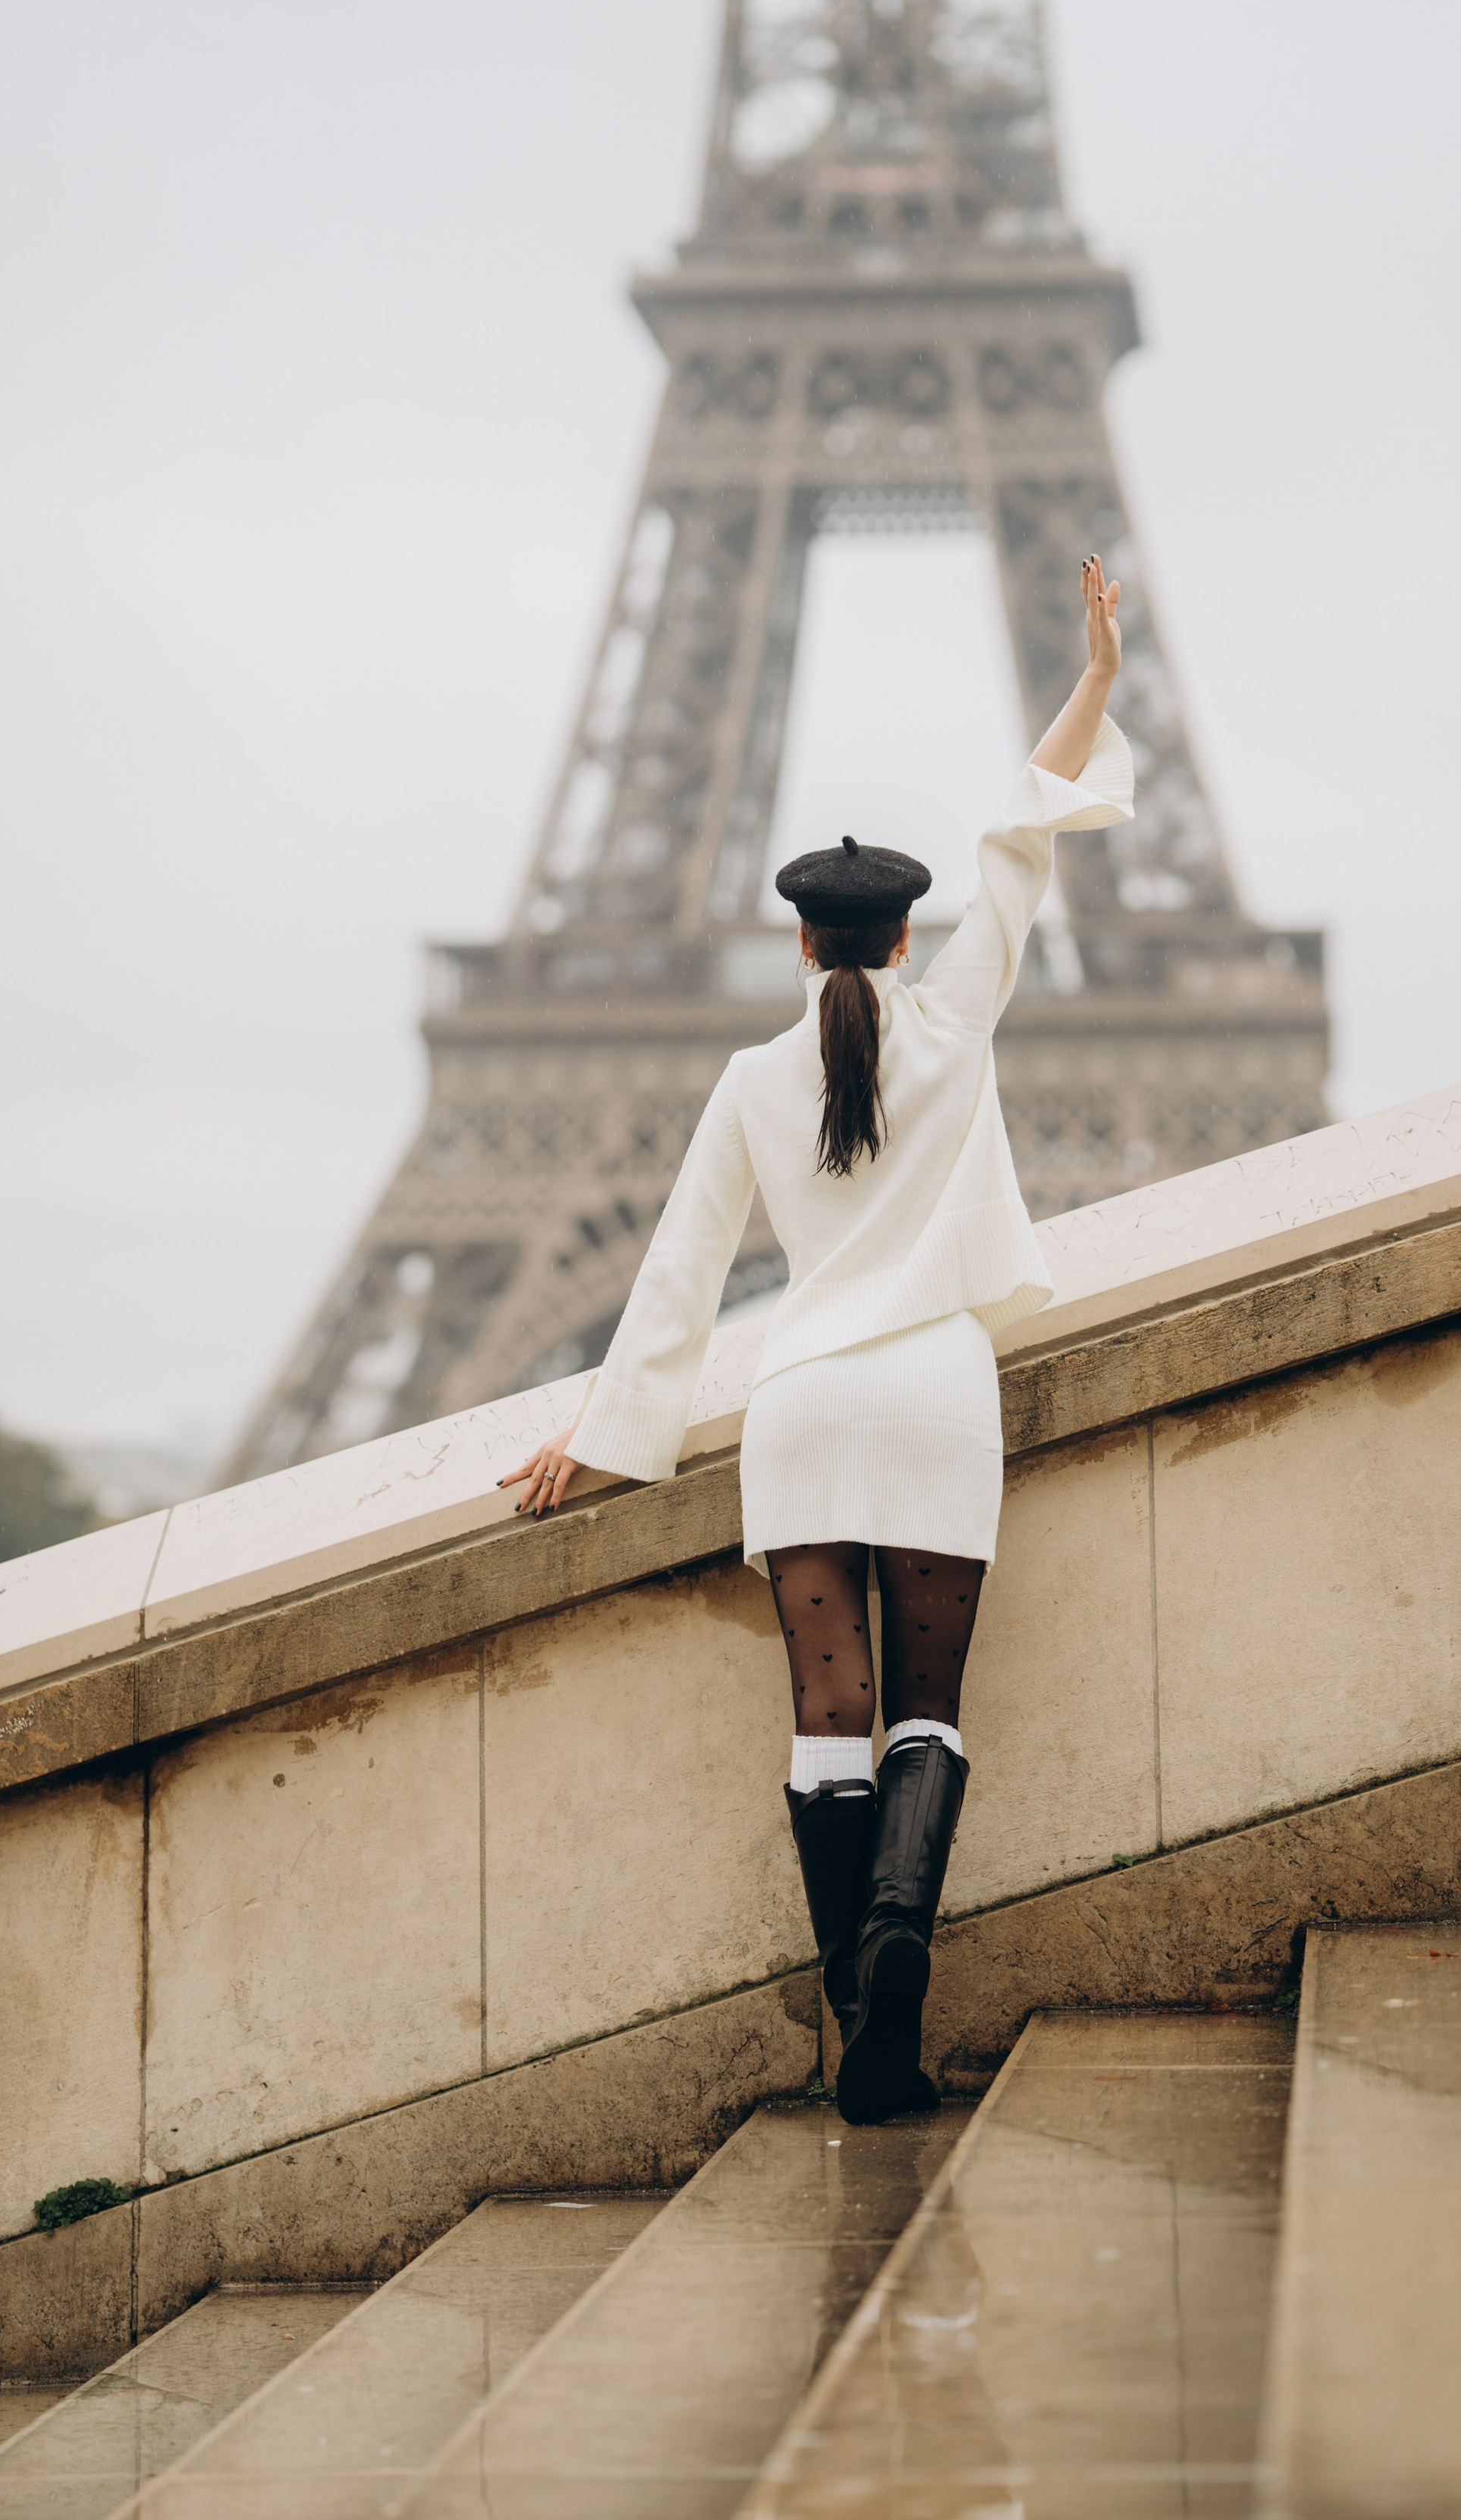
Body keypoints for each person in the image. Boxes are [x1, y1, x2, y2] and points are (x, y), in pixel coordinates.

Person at [504, 557, 1132, 2121]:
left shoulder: (748, 1079)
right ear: (903, 941)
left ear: (801, 948)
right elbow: (1017, 831)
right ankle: (901, 1971)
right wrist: (1097, 674)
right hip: (931, 1394)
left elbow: (680, 1273)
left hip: (796, 1414)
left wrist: (597, 1438)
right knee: (927, 1711)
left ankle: (855, 2007)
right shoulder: (957, 1009)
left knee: (826, 1723)